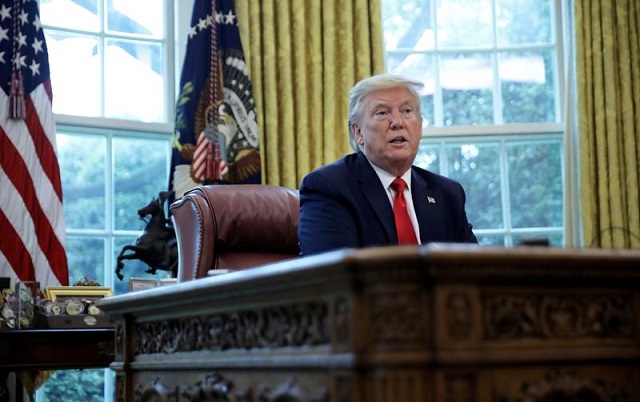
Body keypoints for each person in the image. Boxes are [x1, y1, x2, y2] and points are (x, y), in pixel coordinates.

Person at [298, 73, 477, 256]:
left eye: (407, 111)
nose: (398, 122)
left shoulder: (447, 193)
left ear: (420, 127)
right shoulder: (329, 188)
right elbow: (333, 276)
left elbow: (475, 270)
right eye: (382, 113)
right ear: (358, 132)